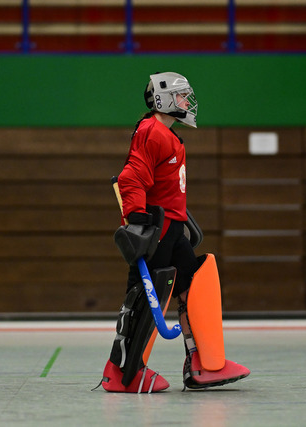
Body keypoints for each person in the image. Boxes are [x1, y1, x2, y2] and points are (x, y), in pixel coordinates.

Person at [98, 72, 250, 393]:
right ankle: (124, 373)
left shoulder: (166, 135)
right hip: (158, 230)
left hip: (174, 227)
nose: (186, 102)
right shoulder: (152, 132)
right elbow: (131, 178)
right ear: (165, 99)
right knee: (143, 297)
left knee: (192, 288)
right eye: (181, 96)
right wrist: (137, 219)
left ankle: (202, 363)